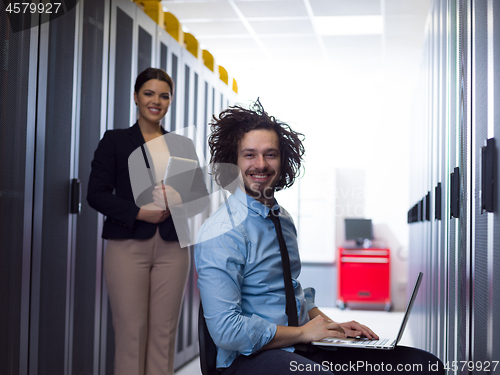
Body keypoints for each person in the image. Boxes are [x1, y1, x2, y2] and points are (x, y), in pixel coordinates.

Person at [195, 101, 444, 375]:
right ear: (233, 161)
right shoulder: (221, 232)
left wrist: (332, 326)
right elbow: (227, 331)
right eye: (250, 155)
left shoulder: (282, 219)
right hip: (249, 358)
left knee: (422, 366)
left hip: (301, 344)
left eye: (271, 154)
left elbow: (291, 293)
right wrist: (302, 333)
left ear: (283, 160)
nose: (261, 164)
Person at [87, 67, 208, 375]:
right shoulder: (114, 141)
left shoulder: (181, 145)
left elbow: (199, 199)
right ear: (136, 97)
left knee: (164, 334)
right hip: (127, 245)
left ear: (170, 101)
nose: (157, 101)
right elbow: (96, 194)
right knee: (132, 333)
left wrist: (178, 199)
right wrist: (140, 211)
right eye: (149, 93)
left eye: (164, 95)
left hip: (173, 248)